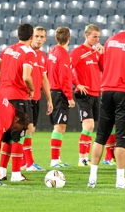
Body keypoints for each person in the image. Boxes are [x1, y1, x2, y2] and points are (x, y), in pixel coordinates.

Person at [87, 10, 125, 189]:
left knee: (100, 136)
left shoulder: (111, 40)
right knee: (122, 137)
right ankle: (121, 181)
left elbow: (105, 65)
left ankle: (92, 179)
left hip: (106, 90)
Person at [0, 23, 48, 182]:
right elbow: (26, 77)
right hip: (18, 98)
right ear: (31, 37)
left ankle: (2, 171)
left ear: (17, 35)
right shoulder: (29, 53)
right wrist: (32, 90)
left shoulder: (7, 49)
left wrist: (3, 85)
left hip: (2, 97)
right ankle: (15, 173)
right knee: (18, 136)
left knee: (7, 135)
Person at [70, 24, 105, 167]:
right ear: (87, 35)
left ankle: (85, 158)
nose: (97, 39)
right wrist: (77, 84)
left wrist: (102, 54)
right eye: (94, 36)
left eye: (98, 37)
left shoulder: (96, 52)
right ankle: (82, 158)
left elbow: (104, 69)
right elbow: (68, 69)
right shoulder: (78, 51)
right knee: (89, 125)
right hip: (83, 93)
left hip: (96, 93)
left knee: (91, 127)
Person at [47, 26, 76, 168]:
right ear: (69, 38)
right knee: (60, 127)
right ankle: (54, 160)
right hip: (59, 93)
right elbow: (64, 77)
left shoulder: (52, 51)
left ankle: (55, 159)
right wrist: (69, 97)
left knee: (57, 126)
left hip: (52, 91)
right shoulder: (63, 54)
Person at [26, 26, 53, 171]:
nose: (39, 39)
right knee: (28, 129)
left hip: (36, 97)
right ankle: (29, 162)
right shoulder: (25, 52)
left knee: (31, 129)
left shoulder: (43, 56)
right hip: (24, 98)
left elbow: (44, 79)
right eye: (37, 36)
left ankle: (25, 161)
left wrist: (49, 99)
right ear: (31, 36)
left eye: (42, 37)